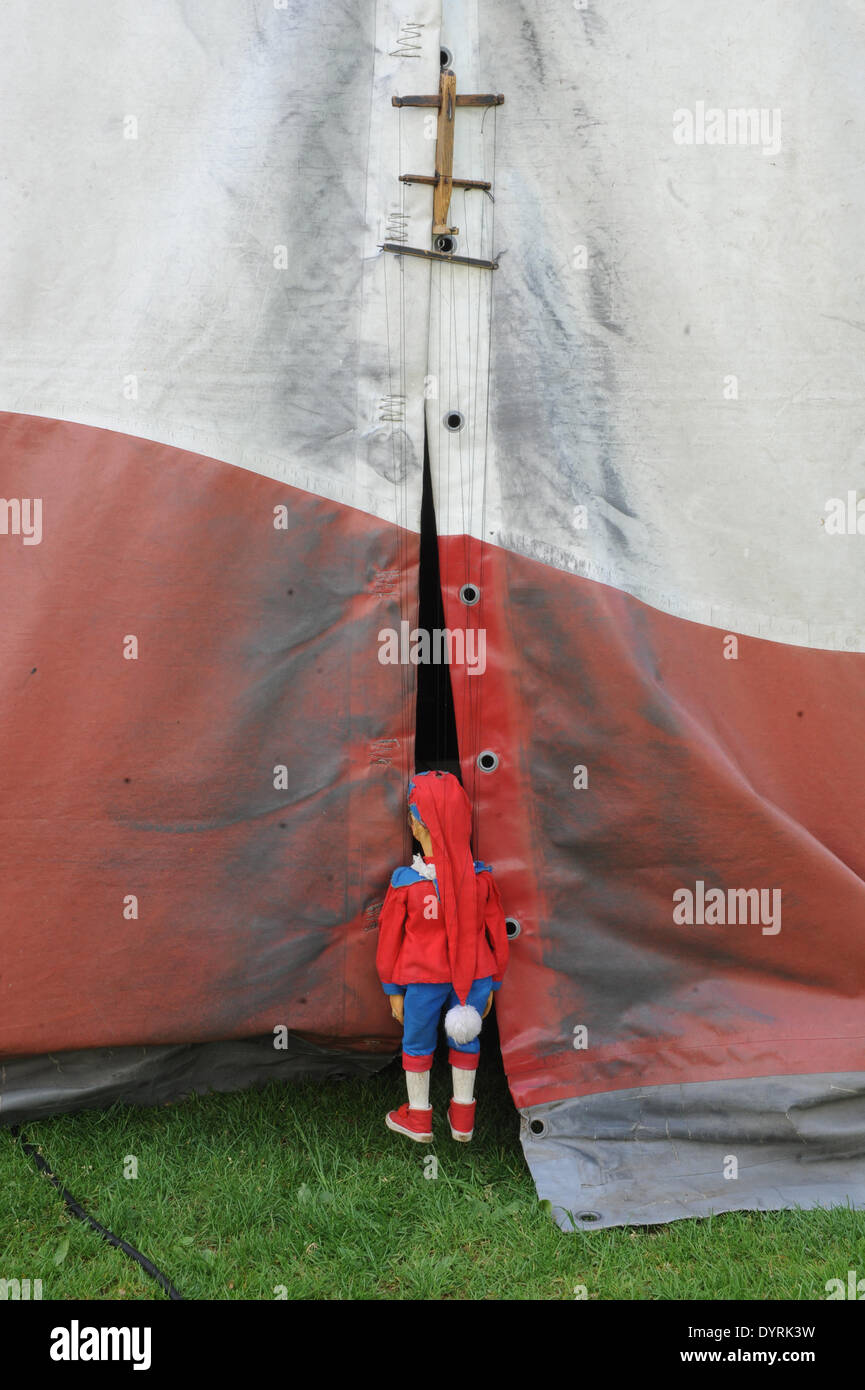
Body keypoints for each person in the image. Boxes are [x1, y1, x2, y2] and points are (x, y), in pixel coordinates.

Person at [376, 770, 509, 1142]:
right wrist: (494, 980)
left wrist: (392, 988)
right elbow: (497, 934)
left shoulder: (408, 883)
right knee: (466, 1040)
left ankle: (418, 1119)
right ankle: (463, 1119)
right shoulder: (480, 880)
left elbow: (389, 941)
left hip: (422, 980)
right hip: (475, 978)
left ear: (418, 825)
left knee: (417, 1044)